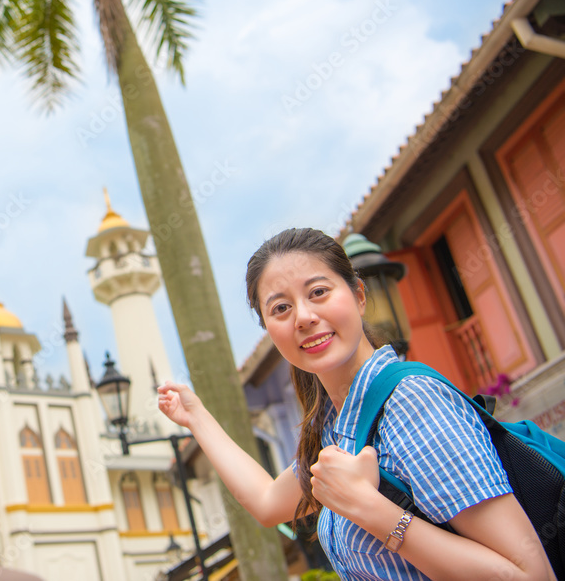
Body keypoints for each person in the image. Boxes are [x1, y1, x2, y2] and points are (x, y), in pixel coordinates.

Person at [158, 228, 553, 580]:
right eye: (281, 308)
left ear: (359, 295)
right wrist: (196, 417)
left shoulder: (412, 402)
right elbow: (266, 503)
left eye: (318, 292)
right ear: (270, 330)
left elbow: (529, 574)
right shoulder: (338, 428)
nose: (304, 316)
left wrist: (369, 509)